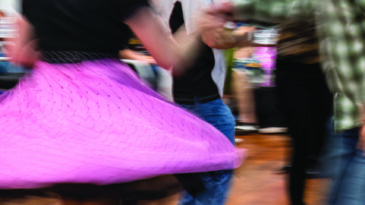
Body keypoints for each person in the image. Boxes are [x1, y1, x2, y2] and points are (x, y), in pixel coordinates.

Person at [0, 0, 248, 204]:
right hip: (105, 98)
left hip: (51, 99)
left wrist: (55, 43)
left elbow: (20, 54)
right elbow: (170, 57)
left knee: (74, 190)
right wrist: (200, 27)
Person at [202, 0, 365, 204]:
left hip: (327, 79)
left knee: (322, 148)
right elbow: (289, 9)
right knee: (302, 145)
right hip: (296, 75)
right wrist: (233, 13)